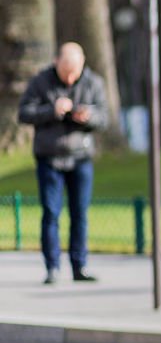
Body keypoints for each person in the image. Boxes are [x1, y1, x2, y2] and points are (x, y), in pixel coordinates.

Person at [18, 42, 108, 285]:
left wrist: (87, 117)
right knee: (51, 213)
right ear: (56, 62)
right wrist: (52, 110)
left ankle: (80, 266)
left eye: (74, 72)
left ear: (82, 65)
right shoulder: (40, 81)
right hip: (50, 158)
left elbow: (104, 118)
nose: (69, 78)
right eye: (65, 72)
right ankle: (52, 267)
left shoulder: (93, 82)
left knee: (80, 214)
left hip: (80, 157)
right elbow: (24, 113)